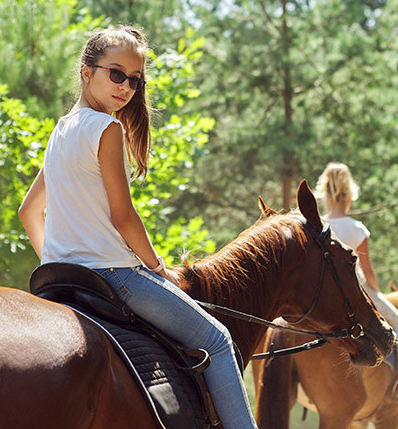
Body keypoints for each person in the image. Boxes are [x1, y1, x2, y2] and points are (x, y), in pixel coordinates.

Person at [18, 26, 258, 428]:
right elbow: (123, 216)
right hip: (115, 274)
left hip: (61, 276)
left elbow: (29, 211)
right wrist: (157, 267)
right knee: (217, 341)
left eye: (135, 80)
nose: (126, 87)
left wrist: (59, 260)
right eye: (116, 74)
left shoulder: (60, 131)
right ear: (86, 71)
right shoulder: (107, 129)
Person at [315, 162, 398, 403]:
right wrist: (377, 293)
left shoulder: (317, 225)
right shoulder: (357, 229)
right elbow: (367, 272)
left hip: (322, 294)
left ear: (326, 195)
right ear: (349, 196)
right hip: (358, 290)